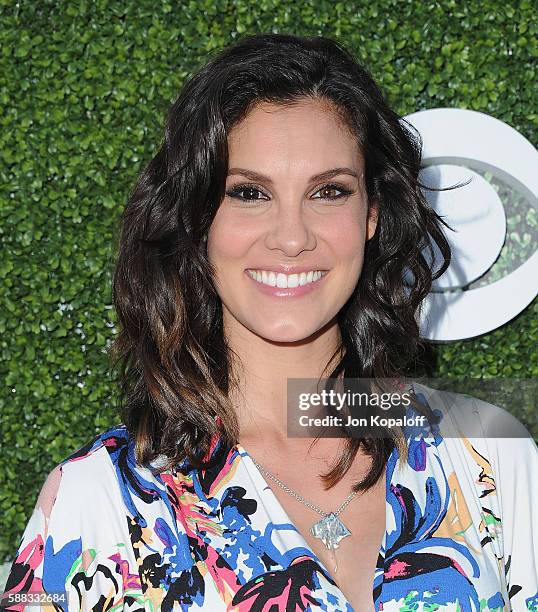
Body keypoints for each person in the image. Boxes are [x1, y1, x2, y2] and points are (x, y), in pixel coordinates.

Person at [2, 32, 537, 612]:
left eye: (329, 192)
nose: (291, 237)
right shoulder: (98, 500)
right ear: (197, 219)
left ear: (372, 215)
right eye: (250, 193)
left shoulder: (486, 450)